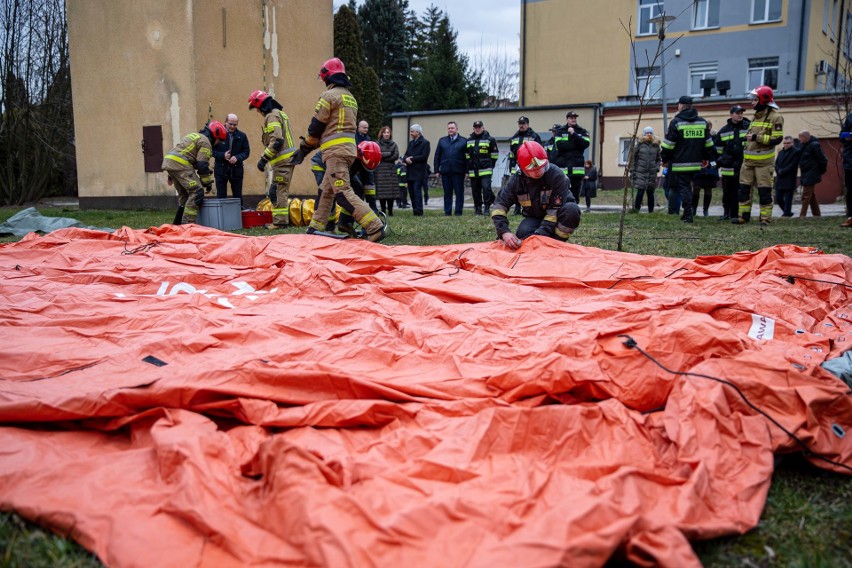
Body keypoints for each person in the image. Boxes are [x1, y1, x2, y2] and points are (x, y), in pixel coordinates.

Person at [288, 57, 385, 242]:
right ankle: (315, 228)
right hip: (348, 150)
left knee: (342, 193)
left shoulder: (328, 96)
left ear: (327, 77)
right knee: (326, 191)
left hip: (335, 153)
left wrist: (303, 149)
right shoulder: (350, 97)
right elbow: (333, 131)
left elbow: (316, 128)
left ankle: (375, 227)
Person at [491, 140, 581, 248]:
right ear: (523, 170)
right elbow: (499, 205)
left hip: (559, 213)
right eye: (533, 170)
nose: (539, 172)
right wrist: (504, 232)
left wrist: (539, 235)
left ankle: (556, 243)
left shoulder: (556, 175)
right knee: (523, 234)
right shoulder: (517, 180)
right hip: (536, 216)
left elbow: (553, 212)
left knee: (572, 210)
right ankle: (544, 242)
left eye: (542, 167)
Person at [660, 95, 716, 223]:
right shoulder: (702, 122)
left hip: (680, 163)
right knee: (688, 187)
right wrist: (706, 158)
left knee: (684, 188)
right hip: (696, 163)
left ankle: (688, 214)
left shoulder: (676, 122)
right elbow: (709, 144)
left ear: (680, 106)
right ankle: (687, 213)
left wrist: (664, 158)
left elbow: (668, 145)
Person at [733, 86, 784, 226]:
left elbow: (777, 139)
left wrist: (757, 138)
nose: (752, 103)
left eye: (755, 100)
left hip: (764, 163)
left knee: (765, 192)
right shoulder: (755, 117)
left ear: (763, 99)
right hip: (748, 162)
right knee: (744, 190)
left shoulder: (776, 117)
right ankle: (743, 216)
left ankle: (765, 219)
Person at [247, 89, 297, 228]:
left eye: (257, 109)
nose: (258, 112)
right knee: (276, 190)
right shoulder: (280, 113)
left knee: (278, 191)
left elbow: (277, 140)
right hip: (285, 161)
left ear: (261, 105)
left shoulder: (271, 116)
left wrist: (263, 159)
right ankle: (281, 221)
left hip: (283, 161)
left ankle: (280, 223)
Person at [161, 121, 227, 224]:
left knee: (185, 196)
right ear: (216, 136)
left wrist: (171, 176)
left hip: (171, 163)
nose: (218, 143)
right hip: (180, 164)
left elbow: (189, 156)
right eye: (219, 140)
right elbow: (202, 164)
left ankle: (177, 225)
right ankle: (187, 225)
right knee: (197, 192)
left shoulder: (195, 136)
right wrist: (207, 184)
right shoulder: (206, 142)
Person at [714, 105, 751, 221]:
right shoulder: (724, 130)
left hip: (743, 167)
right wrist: (721, 159)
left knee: (740, 192)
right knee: (727, 192)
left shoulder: (748, 128)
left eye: (741, 113)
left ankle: (738, 214)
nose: (740, 115)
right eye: (737, 113)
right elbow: (718, 149)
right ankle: (726, 213)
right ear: (731, 115)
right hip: (727, 168)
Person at [212, 114, 250, 208]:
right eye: (230, 124)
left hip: (236, 170)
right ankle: (222, 218)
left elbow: (246, 152)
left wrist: (237, 157)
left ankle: (239, 216)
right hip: (221, 169)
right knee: (221, 195)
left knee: (238, 195)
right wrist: (222, 155)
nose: (232, 126)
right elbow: (210, 150)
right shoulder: (217, 134)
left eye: (235, 124)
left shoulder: (242, 136)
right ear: (225, 122)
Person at [505, 116, 542, 214]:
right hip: (517, 166)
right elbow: (512, 153)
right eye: (520, 124)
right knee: (518, 188)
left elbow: (538, 152)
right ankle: (517, 208)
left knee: (530, 188)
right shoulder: (515, 137)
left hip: (529, 167)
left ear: (528, 125)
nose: (521, 125)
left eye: (523, 124)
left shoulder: (534, 136)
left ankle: (530, 208)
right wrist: (511, 166)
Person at [552, 111, 590, 201]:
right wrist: (576, 145)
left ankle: (574, 211)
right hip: (564, 168)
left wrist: (574, 134)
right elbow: (560, 146)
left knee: (575, 192)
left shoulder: (582, 131)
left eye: (575, 118)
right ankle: (564, 210)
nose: (573, 119)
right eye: (571, 118)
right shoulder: (560, 131)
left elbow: (585, 144)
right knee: (563, 191)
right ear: (567, 119)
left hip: (577, 169)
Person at [465, 120, 499, 215]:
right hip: (473, 171)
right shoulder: (469, 140)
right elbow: (467, 155)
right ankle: (478, 208)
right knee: (476, 191)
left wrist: (490, 165)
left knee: (486, 189)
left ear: (483, 128)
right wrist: (469, 166)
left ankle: (487, 208)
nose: (477, 128)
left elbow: (495, 155)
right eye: (476, 127)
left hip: (486, 170)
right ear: (473, 128)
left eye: (479, 127)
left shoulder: (490, 139)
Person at [433, 121, 467, 216]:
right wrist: (436, 170)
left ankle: (458, 212)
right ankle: (447, 212)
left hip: (458, 172)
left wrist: (467, 171)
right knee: (447, 194)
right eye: (449, 128)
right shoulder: (442, 141)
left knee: (459, 193)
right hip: (446, 172)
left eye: (452, 128)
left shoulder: (464, 141)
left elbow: (467, 158)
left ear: (457, 129)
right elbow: (437, 156)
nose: (450, 130)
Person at [797, 130, 827, 218]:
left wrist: (820, 171)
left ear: (806, 137)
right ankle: (817, 214)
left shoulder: (814, 145)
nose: (799, 140)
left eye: (800, 138)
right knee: (811, 195)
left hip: (812, 172)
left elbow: (822, 159)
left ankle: (802, 215)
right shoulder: (803, 145)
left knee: (806, 195)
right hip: (806, 172)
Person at [631, 126, 661, 213]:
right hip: (640, 171)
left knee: (650, 192)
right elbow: (633, 158)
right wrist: (633, 170)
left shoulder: (656, 145)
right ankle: (636, 210)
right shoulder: (639, 144)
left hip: (652, 172)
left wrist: (657, 167)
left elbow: (658, 159)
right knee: (640, 191)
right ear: (644, 134)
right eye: (647, 133)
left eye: (650, 133)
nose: (649, 134)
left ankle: (651, 211)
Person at [691, 125, 719, 218]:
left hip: (710, 167)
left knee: (708, 189)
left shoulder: (715, 138)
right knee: (696, 188)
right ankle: (693, 209)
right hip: (699, 166)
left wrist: (714, 165)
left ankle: (705, 210)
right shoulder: (697, 137)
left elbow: (716, 154)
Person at [403, 124, 430, 216]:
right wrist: (405, 159)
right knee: (411, 192)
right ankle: (414, 210)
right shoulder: (411, 143)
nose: (410, 133)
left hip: (419, 172)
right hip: (410, 171)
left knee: (417, 191)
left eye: (412, 131)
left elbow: (424, 156)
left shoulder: (425, 143)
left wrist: (412, 159)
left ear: (417, 132)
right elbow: (405, 155)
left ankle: (419, 211)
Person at [374, 126, 400, 216]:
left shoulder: (394, 144)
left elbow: (396, 155)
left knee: (390, 193)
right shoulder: (377, 144)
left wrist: (383, 156)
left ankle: (391, 211)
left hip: (390, 171)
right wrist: (389, 154)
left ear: (390, 134)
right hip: (380, 171)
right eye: (384, 132)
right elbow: (377, 155)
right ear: (381, 133)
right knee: (382, 193)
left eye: (388, 132)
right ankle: (383, 210)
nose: (386, 134)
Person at [773, 136, 800, 217]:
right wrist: (778, 171)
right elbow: (776, 163)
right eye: (784, 143)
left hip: (789, 178)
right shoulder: (781, 152)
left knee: (788, 198)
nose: (786, 145)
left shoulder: (796, 152)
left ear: (792, 143)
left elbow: (793, 164)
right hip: (780, 178)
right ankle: (787, 212)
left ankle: (787, 213)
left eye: (788, 143)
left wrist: (783, 171)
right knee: (778, 198)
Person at [355, 120, 378, 212]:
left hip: (366, 167)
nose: (366, 129)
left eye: (367, 128)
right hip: (357, 167)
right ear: (358, 127)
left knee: (370, 188)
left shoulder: (367, 138)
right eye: (364, 127)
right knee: (358, 190)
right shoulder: (354, 137)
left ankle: (373, 208)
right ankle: (360, 210)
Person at [840, 113, 852, 227]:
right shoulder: (850, 118)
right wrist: (846, 137)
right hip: (850, 161)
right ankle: (850, 217)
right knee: (850, 190)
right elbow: (841, 136)